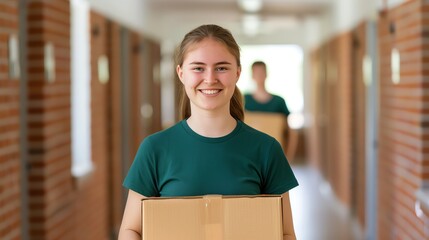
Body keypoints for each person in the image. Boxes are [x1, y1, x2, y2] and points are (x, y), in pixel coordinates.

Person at [118, 24, 298, 240]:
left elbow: (286, 233)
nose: (210, 78)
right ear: (181, 73)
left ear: (238, 73)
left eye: (221, 68)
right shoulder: (155, 149)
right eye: (198, 68)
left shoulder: (266, 149)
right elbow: (131, 230)